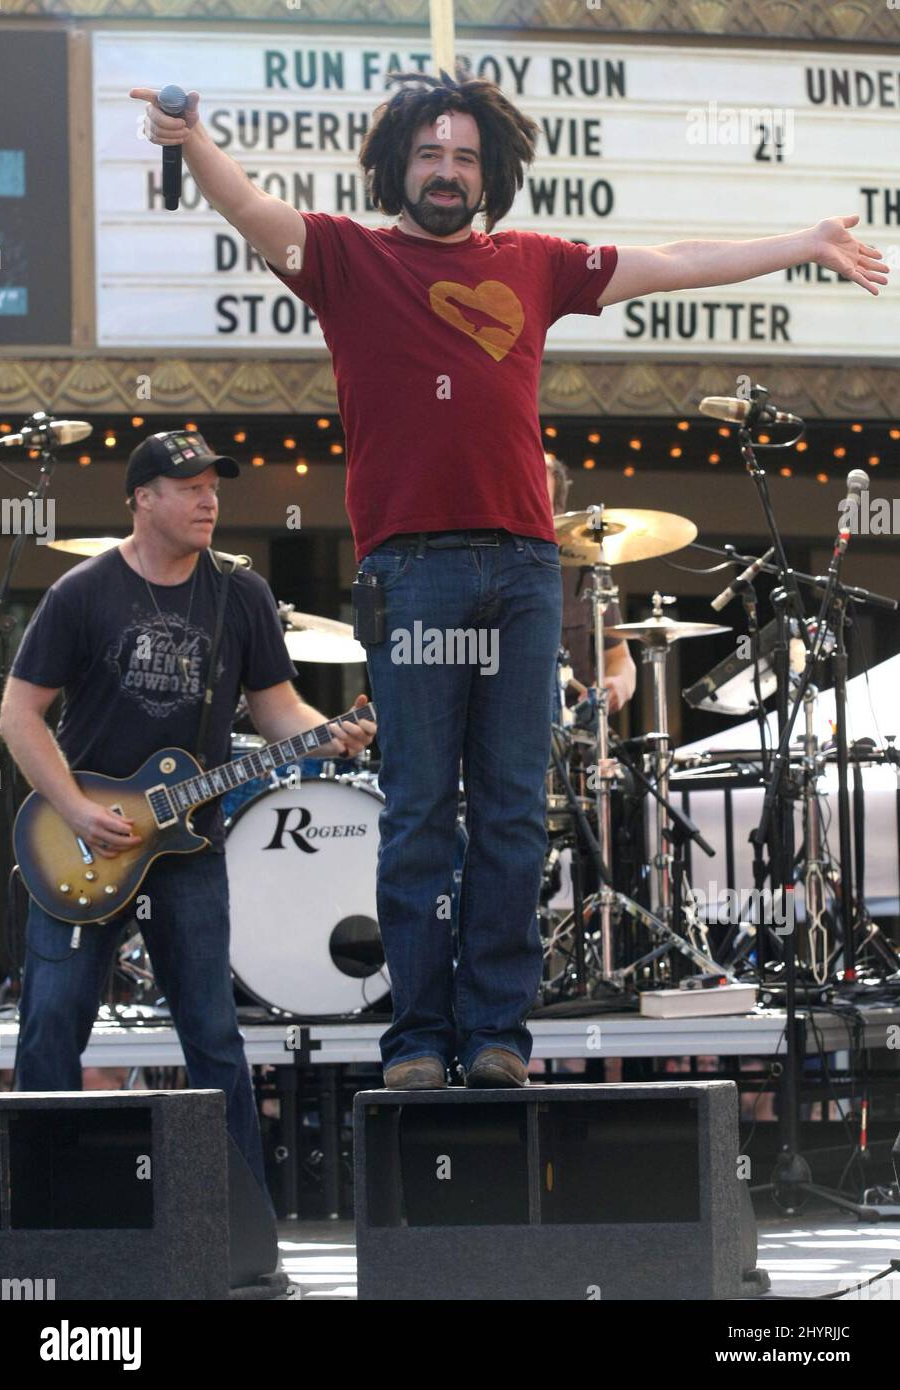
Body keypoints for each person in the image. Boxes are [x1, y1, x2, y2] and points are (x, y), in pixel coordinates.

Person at [129, 68, 886, 1090]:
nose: (447, 171)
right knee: (414, 813)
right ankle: (416, 1039)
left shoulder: (531, 262)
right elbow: (252, 208)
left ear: (493, 173)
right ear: (399, 162)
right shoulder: (349, 258)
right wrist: (192, 139)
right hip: (411, 571)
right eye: (430, 154)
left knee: (514, 812)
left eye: (465, 158)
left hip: (525, 570)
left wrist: (800, 243)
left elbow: (668, 261)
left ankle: (495, 1035)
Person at [0, 430, 375, 1193]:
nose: (209, 499)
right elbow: (17, 716)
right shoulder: (84, 592)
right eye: (189, 486)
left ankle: (241, 1241)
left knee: (213, 1038)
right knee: (49, 1030)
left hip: (187, 850)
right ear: (143, 499)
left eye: (214, 485)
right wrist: (73, 808)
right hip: (82, 843)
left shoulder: (239, 591)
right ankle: (38, 1220)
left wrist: (327, 735)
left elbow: (275, 712)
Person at [545, 455, 636, 715]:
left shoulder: (584, 571)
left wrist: (617, 684)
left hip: (572, 733)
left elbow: (621, 661)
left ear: (556, 512)